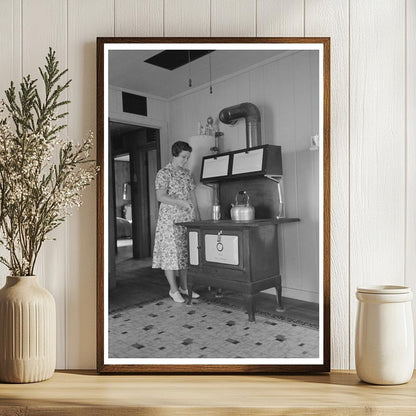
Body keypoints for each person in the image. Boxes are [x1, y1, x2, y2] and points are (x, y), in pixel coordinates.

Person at [152, 140, 201, 303]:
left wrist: (198, 216)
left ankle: (185, 287)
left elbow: (193, 196)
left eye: (187, 157)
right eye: (183, 157)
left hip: (187, 218)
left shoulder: (187, 174)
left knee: (185, 254)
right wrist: (180, 203)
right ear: (175, 155)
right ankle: (173, 290)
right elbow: (160, 197)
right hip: (169, 220)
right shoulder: (164, 173)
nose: (186, 160)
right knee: (171, 255)